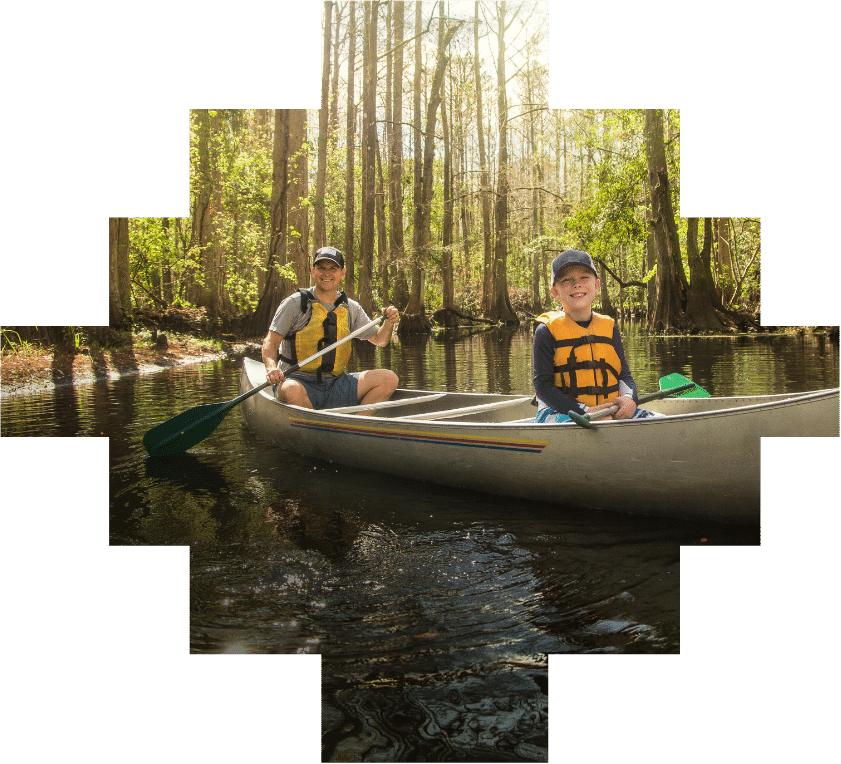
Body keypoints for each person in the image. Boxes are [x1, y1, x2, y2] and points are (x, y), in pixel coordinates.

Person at [532, 249, 663, 423]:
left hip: (607, 410)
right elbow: (543, 387)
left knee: (658, 419)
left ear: (597, 285)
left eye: (584, 278)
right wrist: (585, 411)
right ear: (555, 292)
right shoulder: (545, 330)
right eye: (566, 280)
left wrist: (630, 400)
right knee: (586, 425)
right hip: (560, 410)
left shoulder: (609, 327)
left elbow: (624, 376)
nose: (577, 285)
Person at [262, 246, 400, 410]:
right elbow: (270, 342)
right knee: (290, 390)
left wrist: (389, 322)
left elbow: (380, 340)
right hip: (298, 381)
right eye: (321, 268)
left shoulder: (351, 308)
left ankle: (356, 427)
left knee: (389, 378)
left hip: (336, 384)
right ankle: (315, 428)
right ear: (313, 272)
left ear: (342, 273)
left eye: (333, 269)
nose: (326, 273)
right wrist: (271, 368)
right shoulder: (295, 304)